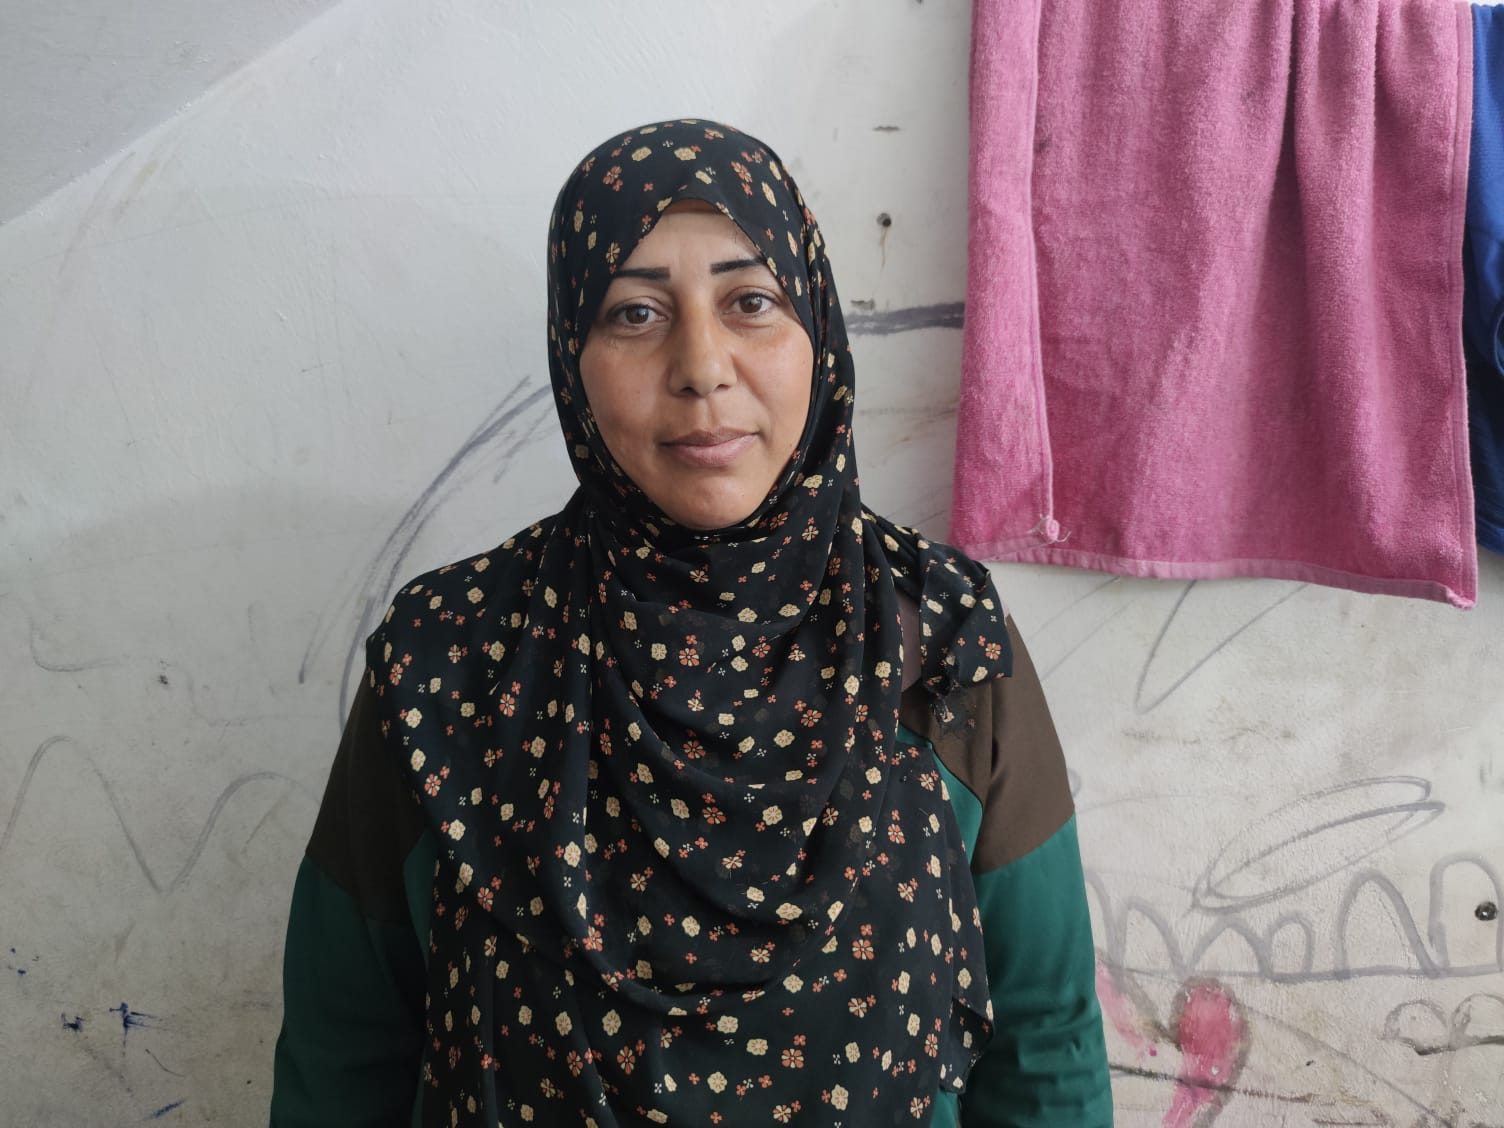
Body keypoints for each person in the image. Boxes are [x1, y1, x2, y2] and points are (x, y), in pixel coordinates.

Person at [271, 118, 1111, 1127]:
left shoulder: (941, 642)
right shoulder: (450, 661)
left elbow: (1042, 1039)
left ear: (816, 335)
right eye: (633, 314)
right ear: (570, 357)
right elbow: (343, 1054)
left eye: (750, 302)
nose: (701, 365)